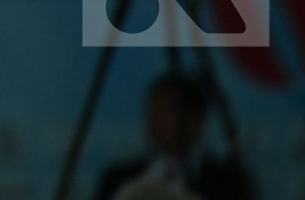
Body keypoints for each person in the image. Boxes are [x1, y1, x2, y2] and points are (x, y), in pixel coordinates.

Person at [93, 73, 253, 200]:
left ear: (196, 118)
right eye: (153, 110)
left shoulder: (228, 183)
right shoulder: (118, 179)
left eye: (167, 111)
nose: (156, 120)